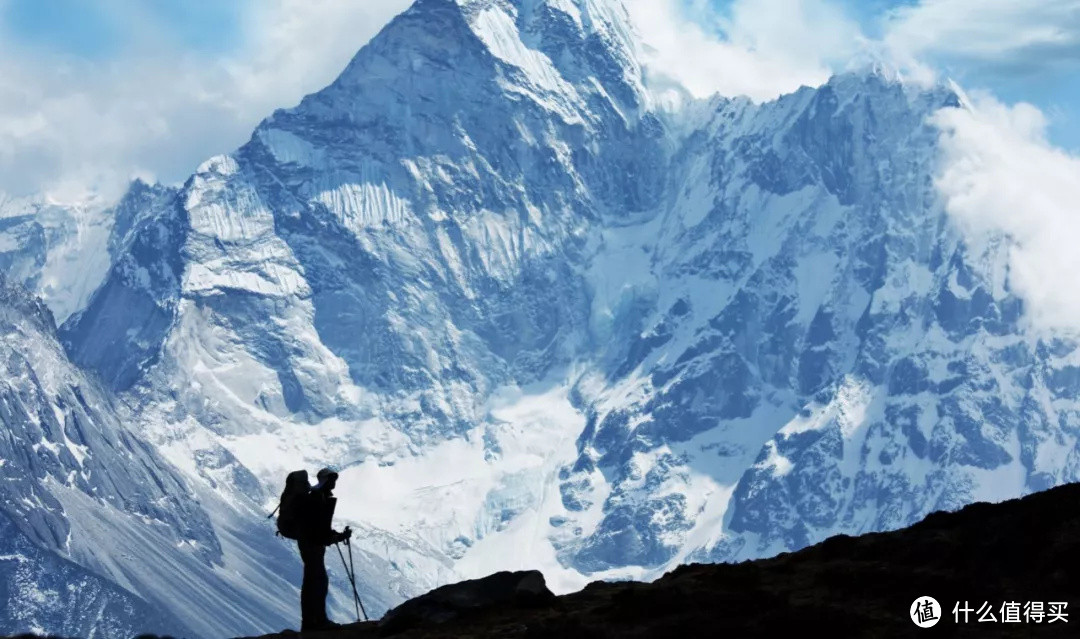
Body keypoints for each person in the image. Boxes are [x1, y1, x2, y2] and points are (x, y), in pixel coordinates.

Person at [297, 467, 352, 631]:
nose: (334, 482)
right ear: (325, 480)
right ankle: (317, 621)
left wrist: (335, 536)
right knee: (317, 582)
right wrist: (336, 537)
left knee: (312, 582)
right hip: (312, 545)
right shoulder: (317, 498)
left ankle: (311, 622)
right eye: (331, 479)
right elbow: (319, 529)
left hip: (309, 544)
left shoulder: (318, 496)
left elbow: (320, 528)